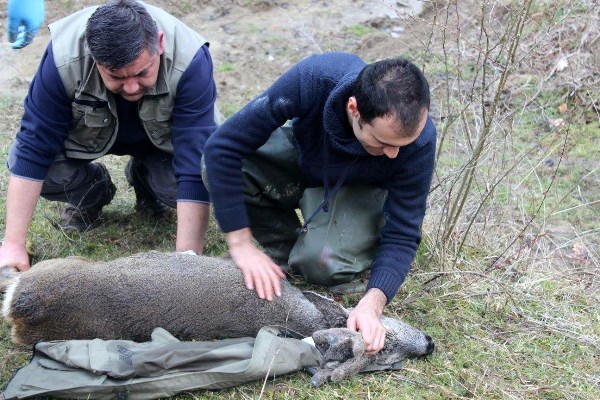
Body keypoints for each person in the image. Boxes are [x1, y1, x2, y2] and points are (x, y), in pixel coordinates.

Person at [203, 53, 436, 354]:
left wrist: (372, 303)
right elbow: (222, 148)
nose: (394, 154)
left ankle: (318, 253)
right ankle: (285, 252)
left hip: (360, 191)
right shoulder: (315, 78)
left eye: (402, 146)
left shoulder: (419, 140)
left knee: (321, 263)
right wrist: (241, 244)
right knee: (217, 168)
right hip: (306, 158)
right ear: (354, 109)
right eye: (383, 142)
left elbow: (403, 232)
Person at [0, 0, 218, 271]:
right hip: (85, 137)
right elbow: (33, 148)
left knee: (210, 178)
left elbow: (194, 158)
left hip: (165, 143)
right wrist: (12, 245)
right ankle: (93, 192)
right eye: (115, 76)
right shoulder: (62, 58)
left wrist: (187, 261)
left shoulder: (191, 60)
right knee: (46, 175)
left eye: (142, 72)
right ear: (93, 57)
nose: (130, 87)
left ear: (159, 44)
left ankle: (146, 178)